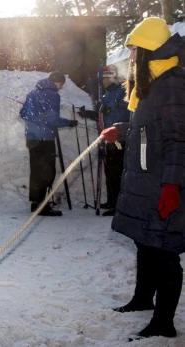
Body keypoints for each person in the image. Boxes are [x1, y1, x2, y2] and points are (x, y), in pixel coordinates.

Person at [101, 17, 185, 340]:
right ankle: (142, 299)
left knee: (165, 252)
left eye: (135, 49)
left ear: (150, 48)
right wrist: (120, 131)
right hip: (145, 181)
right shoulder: (151, 80)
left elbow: (178, 139)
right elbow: (148, 128)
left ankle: (164, 322)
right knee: (145, 243)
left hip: (163, 182)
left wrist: (172, 186)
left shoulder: (173, 82)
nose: (131, 57)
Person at [19, 71, 78, 216]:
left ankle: (36, 203)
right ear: (55, 81)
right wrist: (69, 122)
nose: (61, 87)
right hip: (45, 139)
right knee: (47, 172)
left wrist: (36, 117)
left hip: (32, 138)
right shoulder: (53, 95)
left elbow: (23, 113)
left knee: (36, 171)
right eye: (61, 84)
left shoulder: (33, 93)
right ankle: (42, 206)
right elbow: (53, 120)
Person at [79, 66, 130, 216]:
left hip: (120, 137)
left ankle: (118, 205)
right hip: (108, 137)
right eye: (102, 78)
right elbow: (104, 114)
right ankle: (111, 200)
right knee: (110, 171)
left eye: (106, 78)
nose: (103, 81)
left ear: (113, 77)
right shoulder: (107, 93)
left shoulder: (122, 91)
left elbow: (128, 113)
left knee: (118, 171)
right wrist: (91, 113)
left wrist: (109, 109)